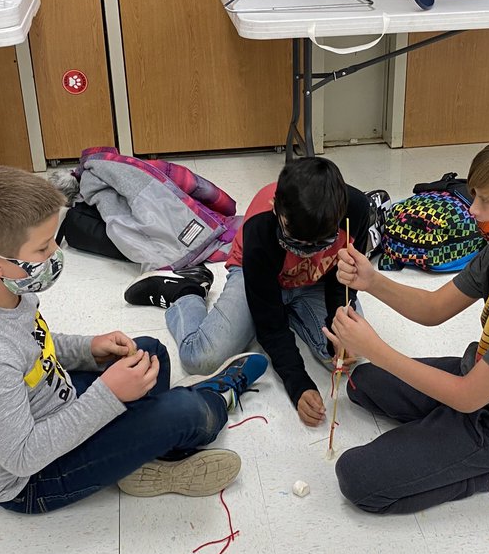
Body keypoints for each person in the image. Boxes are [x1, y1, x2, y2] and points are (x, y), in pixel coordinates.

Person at [0, 165, 267, 514]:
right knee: (188, 412)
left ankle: (140, 453)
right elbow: (22, 457)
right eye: (43, 248)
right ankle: (214, 400)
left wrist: (88, 349)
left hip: (50, 403)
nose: (55, 252)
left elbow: (30, 344)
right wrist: (109, 394)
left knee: (150, 352)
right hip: (31, 480)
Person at [324, 128, 489, 514]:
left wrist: (377, 350)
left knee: (357, 478)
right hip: (480, 378)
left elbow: (466, 398)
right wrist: (372, 280)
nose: (473, 209)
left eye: (486, 200)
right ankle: (461, 434)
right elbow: (434, 308)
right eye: (476, 195)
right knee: (362, 384)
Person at [125, 157, 370, 427]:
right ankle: (184, 293)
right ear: (277, 210)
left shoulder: (355, 210)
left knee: (347, 354)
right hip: (258, 278)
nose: (307, 251)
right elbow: (270, 323)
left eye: (320, 243)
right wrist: (297, 383)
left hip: (316, 282)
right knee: (201, 360)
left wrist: (338, 326)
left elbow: (341, 279)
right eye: (294, 241)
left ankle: (295, 311)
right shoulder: (261, 227)